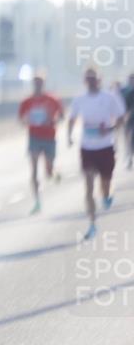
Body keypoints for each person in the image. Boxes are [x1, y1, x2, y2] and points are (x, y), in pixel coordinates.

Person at [67, 67, 126, 240]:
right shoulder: (80, 99)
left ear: (99, 80)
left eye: (94, 78)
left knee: (105, 183)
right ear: (85, 81)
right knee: (88, 187)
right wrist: (69, 137)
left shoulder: (110, 98)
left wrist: (110, 128)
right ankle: (92, 224)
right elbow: (72, 119)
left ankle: (107, 195)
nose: (91, 81)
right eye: (88, 78)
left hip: (106, 146)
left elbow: (121, 117)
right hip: (87, 148)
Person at [17, 72, 64, 214]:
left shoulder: (52, 99)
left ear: (43, 84)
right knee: (34, 171)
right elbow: (21, 119)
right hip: (34, 137)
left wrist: (53, 120)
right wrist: (27, 121)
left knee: (48, 171)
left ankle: (54, 173)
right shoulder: (27, 101)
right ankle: (37, 201)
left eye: (40, 82)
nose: (38, 85)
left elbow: (61, 116)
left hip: (49, 136)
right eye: (35, 82)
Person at [121, 73, 134, 169]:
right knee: (128, 141)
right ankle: (129, 159)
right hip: (130, 121)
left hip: (130, 120)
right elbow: (125, 108)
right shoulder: (127, 92)